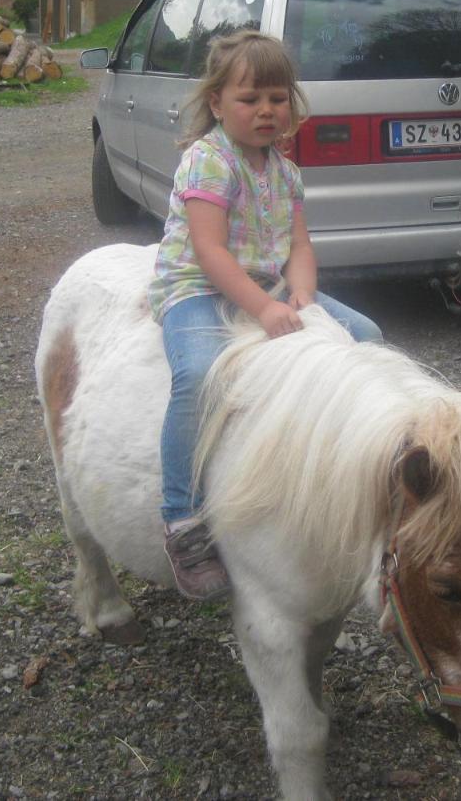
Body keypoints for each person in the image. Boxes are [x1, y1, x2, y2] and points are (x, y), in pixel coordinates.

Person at [147, 30, 383, 602]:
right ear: (217, 104)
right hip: (200, 289)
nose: (266, 111)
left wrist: (302, 293)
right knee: (200, 375)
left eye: (277, 98)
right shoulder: (209, 161)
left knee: (367, 336)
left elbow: (299, 244)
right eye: (250, 99)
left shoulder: (284, 170)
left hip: (270, 284)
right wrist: (264, 309)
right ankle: (182, 516)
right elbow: (210, 251)